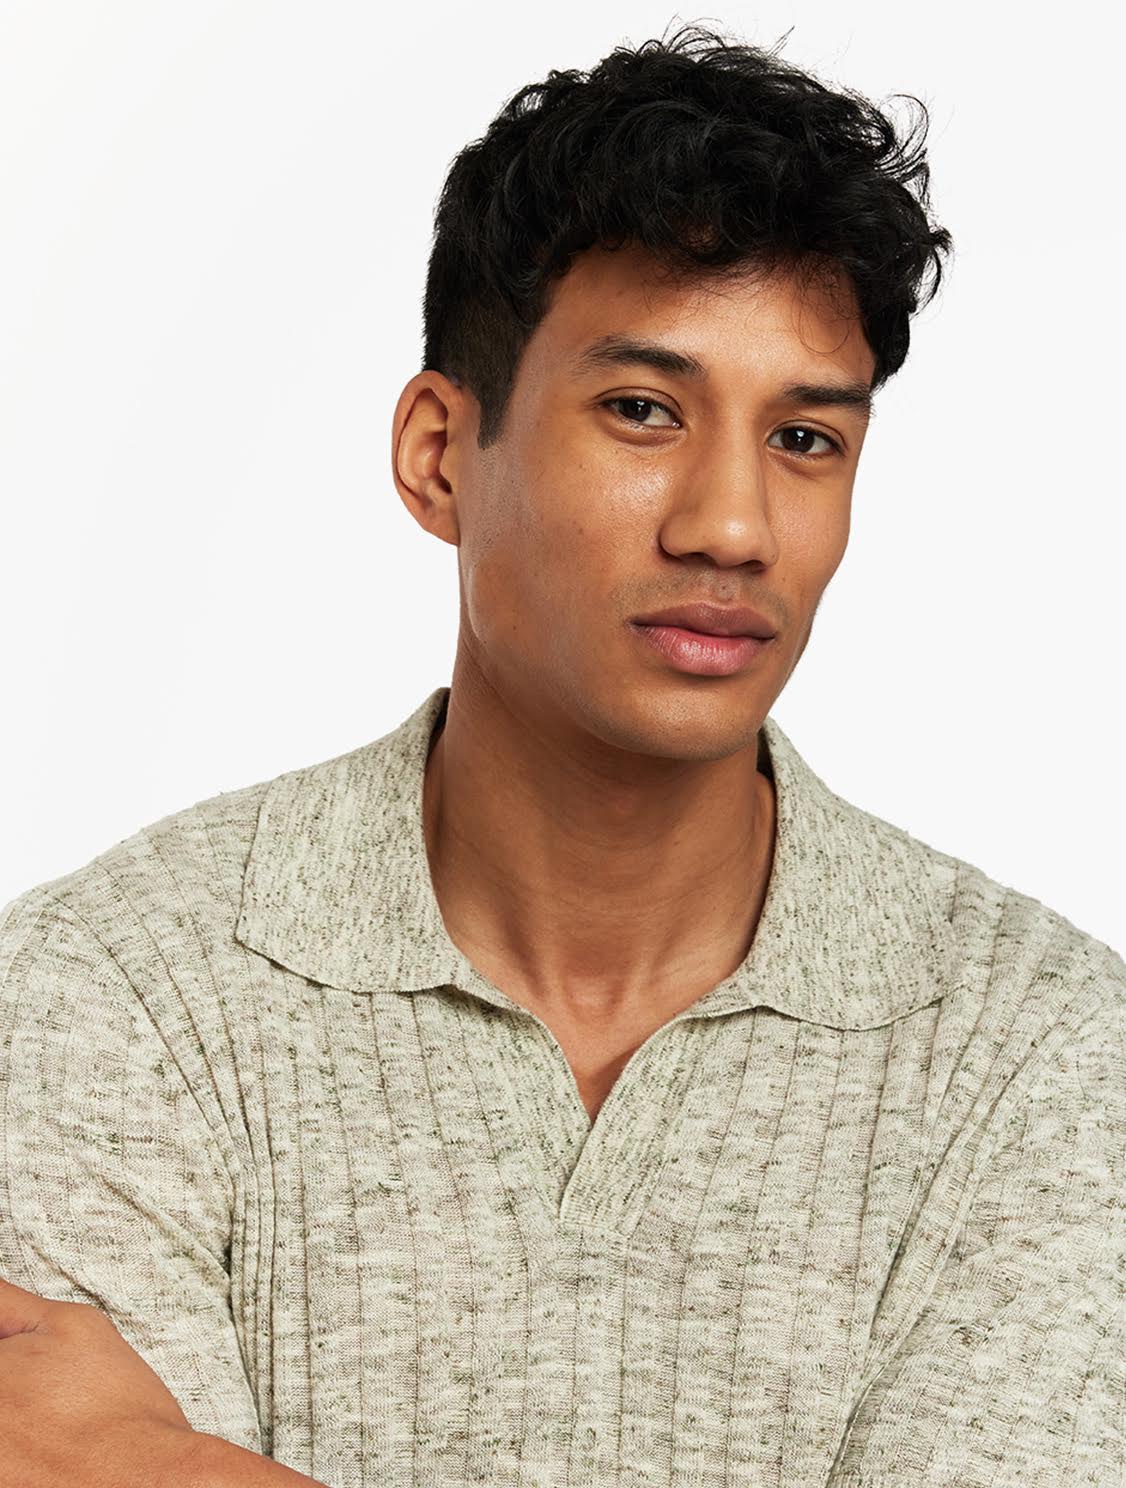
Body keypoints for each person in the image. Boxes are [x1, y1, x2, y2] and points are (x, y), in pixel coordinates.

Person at [0, 22, 1122, 1488]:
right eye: (642, 411)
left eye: (804, 438)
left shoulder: (1047, 1058)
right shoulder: (108, 997)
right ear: (438, 454)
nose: (731, 526)